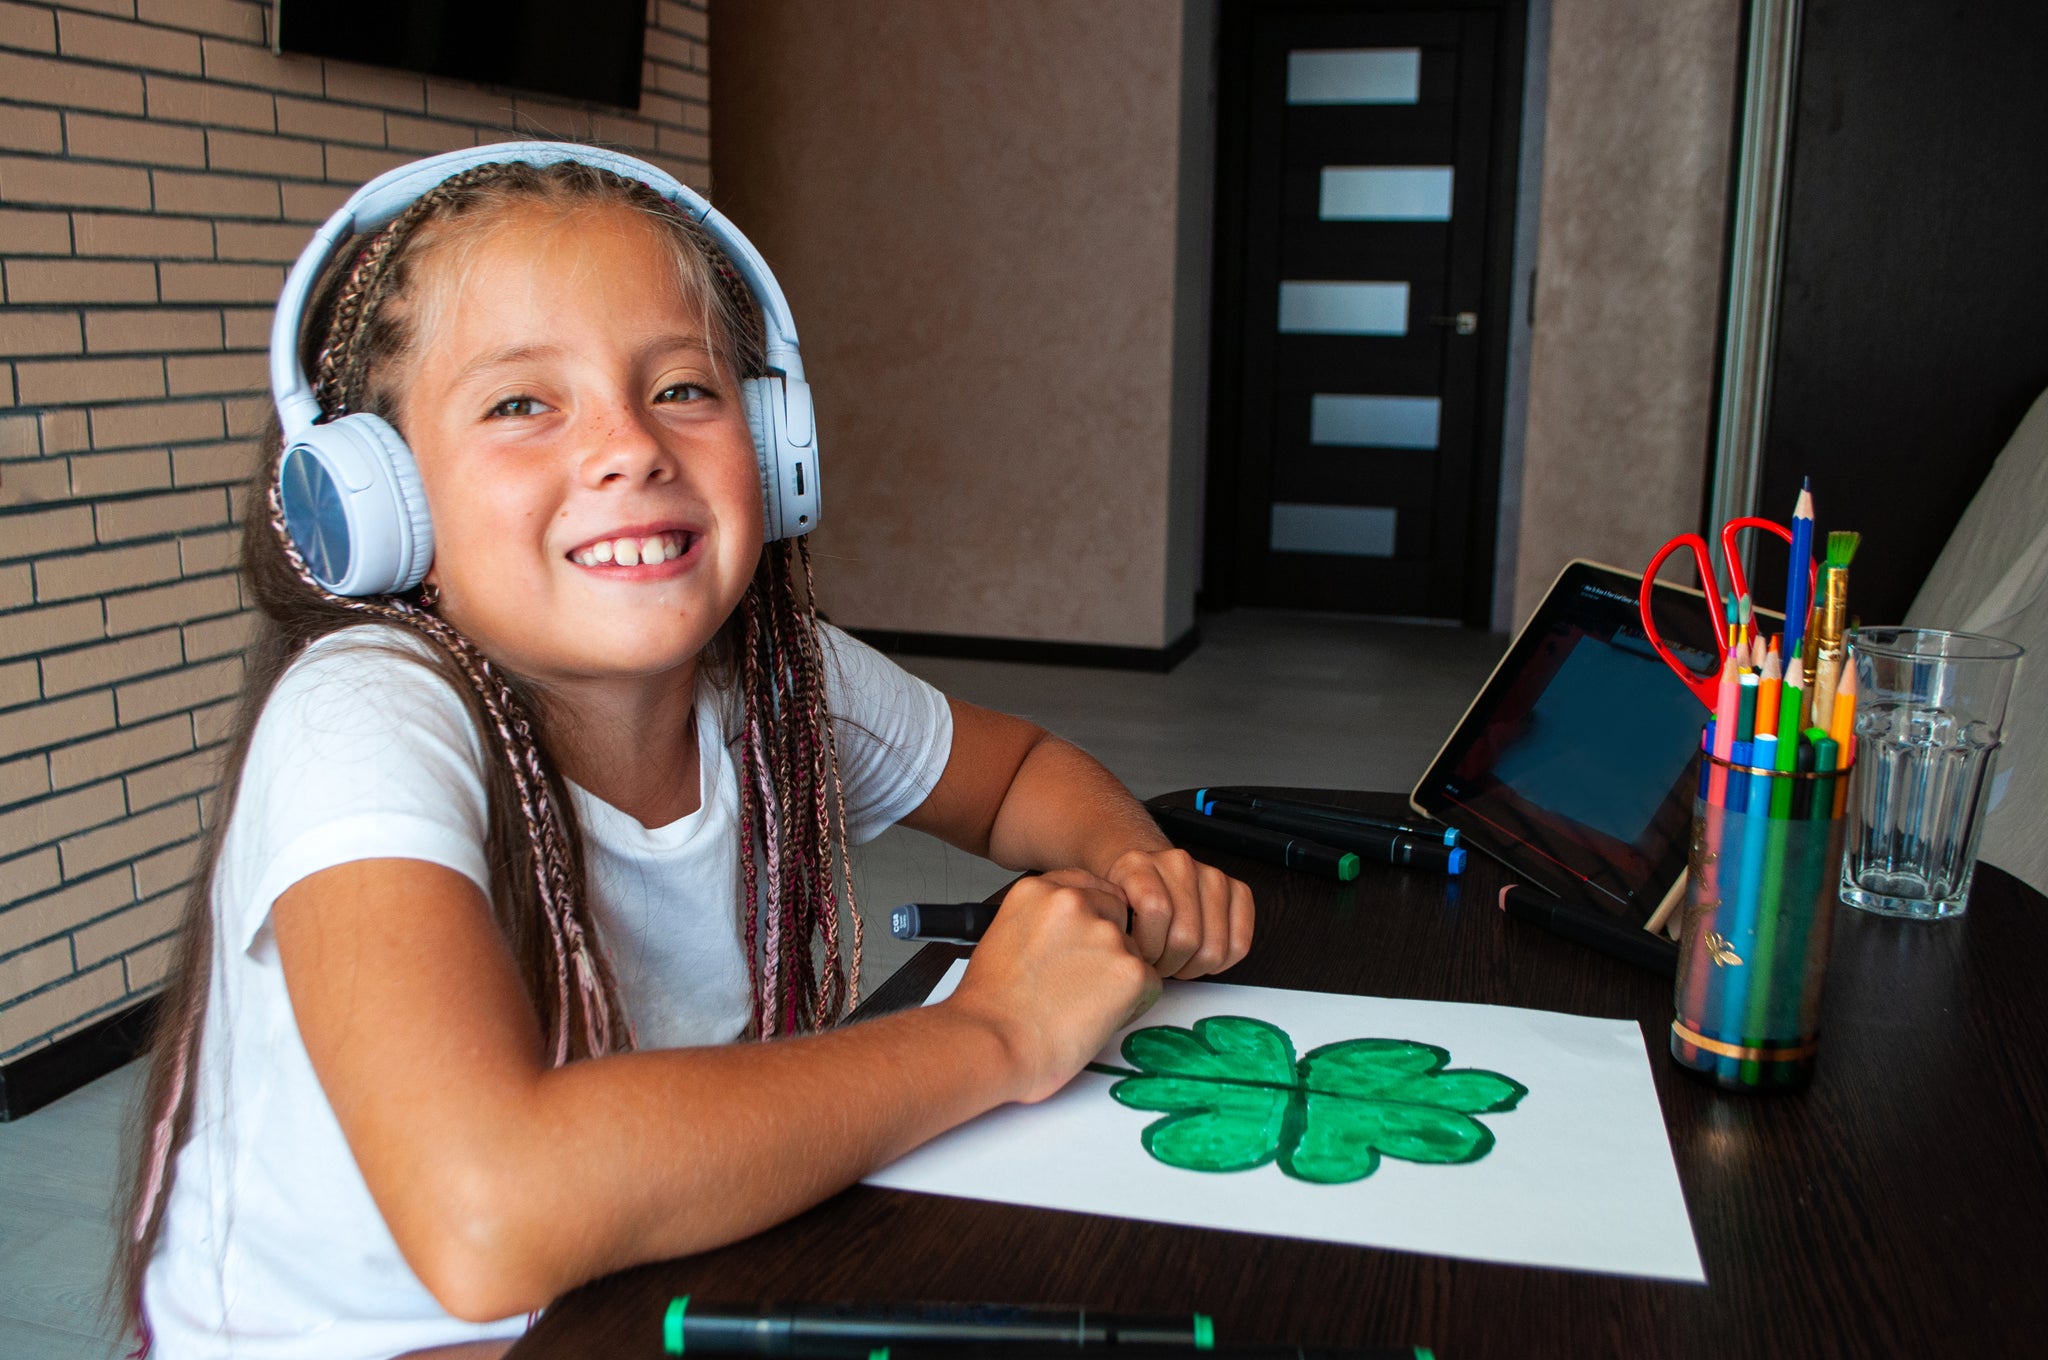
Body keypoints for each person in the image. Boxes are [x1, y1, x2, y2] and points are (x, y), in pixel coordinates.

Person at [115, 145, 1254, 1360]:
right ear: (380, 502)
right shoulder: (362, 715)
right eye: (520, 404)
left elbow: (1018, 774)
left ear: (773, 446)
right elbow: (485, 1213)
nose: (629, 447)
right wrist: (998, 1032)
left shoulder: (771, 674)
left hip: (635, 1284)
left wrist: (1135, 863)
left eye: (684, 389)